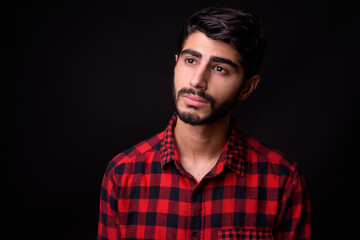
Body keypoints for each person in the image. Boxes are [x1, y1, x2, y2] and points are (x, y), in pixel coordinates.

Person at [97, 6, 311, 240]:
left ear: (247, 87)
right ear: (176, 63)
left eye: (219, 68)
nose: (197, 80)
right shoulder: (122, 174)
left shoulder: (282, 180)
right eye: (190, 60)